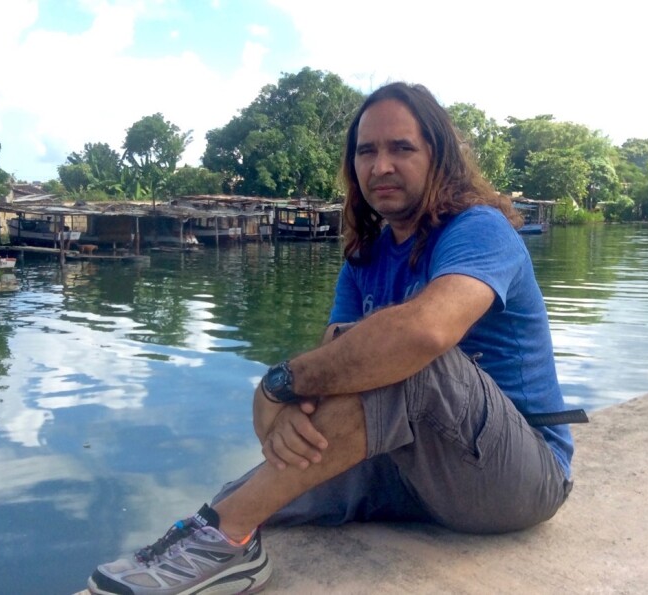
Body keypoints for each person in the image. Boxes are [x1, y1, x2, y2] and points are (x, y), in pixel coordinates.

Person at [85, 82, 580, 595]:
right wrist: (291, 400)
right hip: (416, 471)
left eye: (401, 148)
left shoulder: (480, 229)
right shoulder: (365, 252)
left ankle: (225, 534)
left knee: (406, 355)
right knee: (257, 489)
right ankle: (219, 536)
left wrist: (279, 384)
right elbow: (334, 366)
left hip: (520, 475)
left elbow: (424, 332)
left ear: (440, 159)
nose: (380, 166)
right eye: (366, 151)